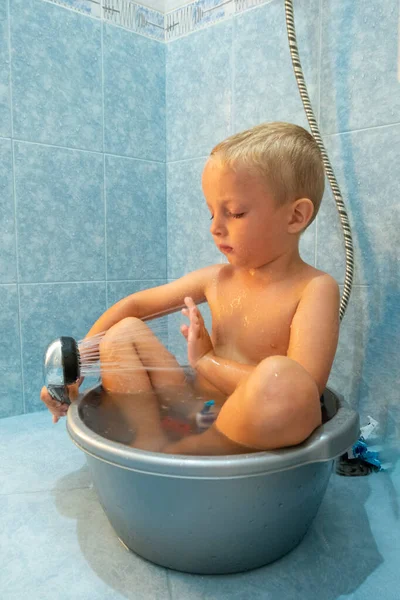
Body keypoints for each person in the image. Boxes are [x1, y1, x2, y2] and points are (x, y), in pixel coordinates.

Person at [40, 122, 340, 455]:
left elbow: (308, 389)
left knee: (284, 378)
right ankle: (149, 436)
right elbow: (135, 307)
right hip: (197, 410)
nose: (215, 227)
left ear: (295, 216)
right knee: (123, 332)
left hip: (245, 423)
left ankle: (196, 449)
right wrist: (76, 367)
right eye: (212, 212)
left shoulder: (314, 289)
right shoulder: (216, 279)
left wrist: (207, 362)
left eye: (235, 213)